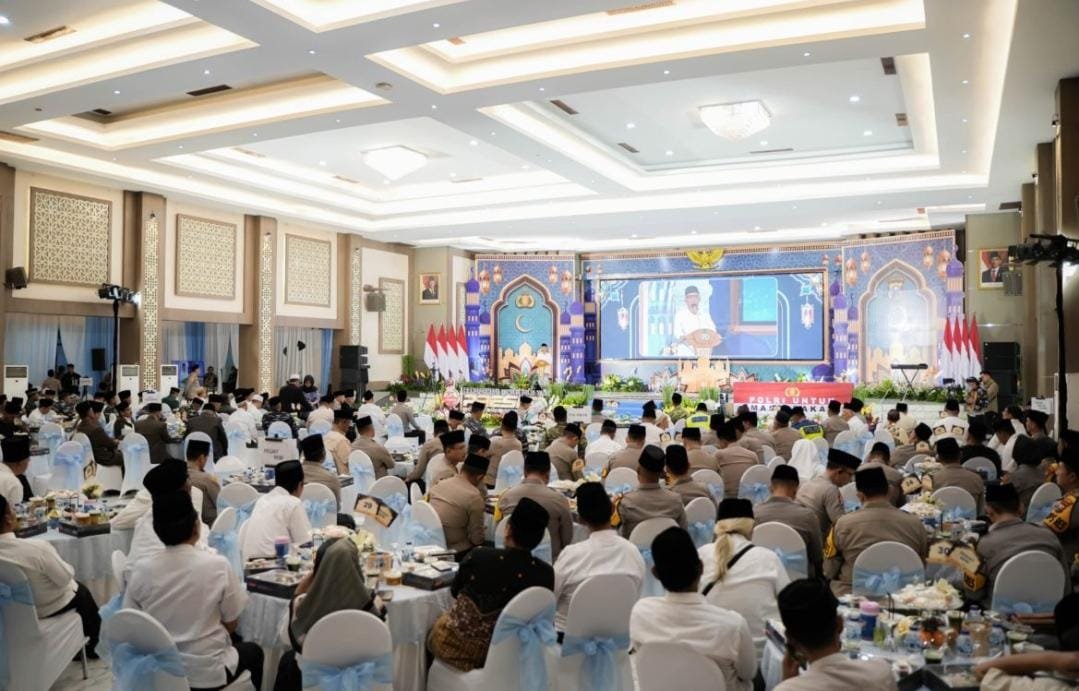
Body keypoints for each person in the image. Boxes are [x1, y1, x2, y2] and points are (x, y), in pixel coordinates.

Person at [124, 489, 262, 690]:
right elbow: (232, 622)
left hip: (162, 675)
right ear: (196, 527)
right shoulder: (217, 565)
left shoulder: (141, 570)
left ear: (157, 530)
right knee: (254, 652)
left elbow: (133, 623)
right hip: (207, 673)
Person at [428, 497, 553, 671]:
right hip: (511, 656)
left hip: (459, 651)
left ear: (508, 530)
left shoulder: (479, 556)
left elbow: (455, 592)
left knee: (431, 631)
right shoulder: (545, 574)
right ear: (538, 540)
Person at [630, 527, 755, 690]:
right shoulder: (732, 626)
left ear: (655, 573)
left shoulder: (640, 613)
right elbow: (748, 673)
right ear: (701, 567)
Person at [273, 538, 385, 691]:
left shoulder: (303, 605)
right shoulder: (374, 604)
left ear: (318, 569)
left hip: (315, 682)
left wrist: (298, 592)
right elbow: (383, 640)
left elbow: (285, 638)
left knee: (287, 661)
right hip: (363, 679)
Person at [0, 494, 102, 657]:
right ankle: (94, 646)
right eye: (12, 509)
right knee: (81, 591)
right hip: (46, 606)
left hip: (8, 611)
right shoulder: (36, 549)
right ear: (8, 519)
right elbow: (64, 578)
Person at [698, 498, 790, 655]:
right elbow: (788, 605)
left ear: (717, 527)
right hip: (760, 655)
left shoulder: (700, 554)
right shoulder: (769, 558)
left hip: (710, 653)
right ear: (752, 528)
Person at [553, 482, 646, 630]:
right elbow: (636, 596)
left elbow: (551, 598)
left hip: (567, 639)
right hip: (619, 638)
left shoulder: (570, 556)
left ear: (580, 519)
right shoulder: (632, 552)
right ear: (612, 509)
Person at [774, 579, 897, 690]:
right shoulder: (881, 673)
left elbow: (829, 567)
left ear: (790, 639)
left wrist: (788, 683)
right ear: (840, 624)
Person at [824, 466, 928, 596]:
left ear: (860, 496)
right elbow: (921, 563)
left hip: (853, 593)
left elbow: (829, 568)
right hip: (903, 594)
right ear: (889, 491)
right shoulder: (915, 523)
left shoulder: (842, 524)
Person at [968, 483, 1070, 603]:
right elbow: (1066, 586)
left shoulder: (985, 544)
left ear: (989, 511)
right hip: (1050, 609)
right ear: (1021, 508)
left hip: (999, 612)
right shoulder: (1049, 536)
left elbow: (974, 594)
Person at [496, 451, 573, 560]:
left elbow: (500, 530)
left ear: (524, 471)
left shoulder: (506, 496)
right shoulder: (559, 500)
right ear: (548, 474)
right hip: (548, 562)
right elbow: (567, 540)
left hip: (511, 560)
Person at [755, 465, 823, 578]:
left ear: (770, 487)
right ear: (796, 488)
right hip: (799, 580)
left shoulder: (755, 513)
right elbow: (817, 556)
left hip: (763, 576)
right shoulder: (807, 516)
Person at [240, 460, 312, 560]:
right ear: (300, 485)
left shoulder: (262, 500)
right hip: (275, 565)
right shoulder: (293, 503)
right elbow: (305, 544)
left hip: (248, 564)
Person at [616, 445, 687, 537]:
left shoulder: (626, 502)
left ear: (638, 470)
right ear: (662, 474)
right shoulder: (676, 500)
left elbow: (613, 534)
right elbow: (684, 531)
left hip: (634, 546)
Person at [428, 453, 488, 556]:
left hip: (429, 541)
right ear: (480, 477)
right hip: (455, 550)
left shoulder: (440, 484)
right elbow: (477, 539)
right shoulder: (474, 496)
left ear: (462, 469)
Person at [797, 448, 858, 539]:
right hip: (816, 541)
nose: (850, 480)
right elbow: (841, 524)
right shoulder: (830, 490)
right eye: (850, 475)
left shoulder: (809, 483)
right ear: (839, 472)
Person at [929, 437, 985, 515]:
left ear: (938, 458)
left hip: (941, 522)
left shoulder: (932, 479)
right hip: (971, 522)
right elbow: (981, 512)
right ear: (960, 455)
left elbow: (928, 510)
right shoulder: (976, 479)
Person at [1044, 449, 1079, 570]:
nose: (1056, 471)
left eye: (1060, 468)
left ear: (1072, 476)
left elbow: (1044, 531)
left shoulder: (1072, 502)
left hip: (1065, 565)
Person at [715, 421, 758, 498]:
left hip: (728, 498)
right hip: (750, 498)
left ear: (723, 441)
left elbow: (713, 477)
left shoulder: (719, 455)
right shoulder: (753, 455)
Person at [672, 285, 717, 357]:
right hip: (686, 354)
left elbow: (713, 332)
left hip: (703, 354)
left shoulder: (705, 315)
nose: (693, 300)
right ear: (686, 300)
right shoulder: (680, 315)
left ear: (699, 299)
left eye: (695, 297)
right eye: (690, 297)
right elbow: (679, 336)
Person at [75, 400, 119, 469]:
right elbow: (111, 444)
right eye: (92, 409)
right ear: (89, 412)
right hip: (100, 458)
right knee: (124, 455)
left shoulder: (79, 427)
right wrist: (117, 441)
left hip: (87, 458)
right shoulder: (95, 429)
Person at [298, 434, 341, 505]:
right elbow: (337, 506)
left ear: (304, 455)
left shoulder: (295, 476)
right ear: (323, 454)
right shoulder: (331, 479)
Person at [186, 439, 220, 526]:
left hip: (186, 523)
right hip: (210, 524)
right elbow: (220, 502)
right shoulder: (206, 479)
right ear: (201, 458)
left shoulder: (178, 475)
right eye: (206, 458)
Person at [484, 411, 522, 486]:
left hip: (492, 481)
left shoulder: (494, 441)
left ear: (502, 425)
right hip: (509, 482)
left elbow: (483, 454)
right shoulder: (519, 445)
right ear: (515, 428)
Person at [862, 442, 905, 506]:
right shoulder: (897, 475)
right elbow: (902, 503)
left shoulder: (857, 472)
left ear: (870, 456)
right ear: (888, 460)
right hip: (890, 510)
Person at [411, 419, 450, 483]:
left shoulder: (428, 445)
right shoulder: (456, 444)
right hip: (453, 481)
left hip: (434, 482)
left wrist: (408, 478)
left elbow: (419, 471)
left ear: (434, 432)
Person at [0, 436, 33, 507]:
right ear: (20, 463)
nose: (29, 462)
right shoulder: (13, 483)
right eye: (28, 459)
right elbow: (16, 512)